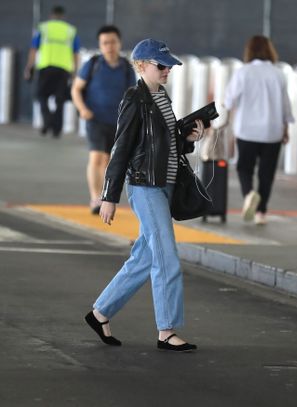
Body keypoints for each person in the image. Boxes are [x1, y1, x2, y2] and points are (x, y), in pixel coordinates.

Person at [84, 38, 204, 352]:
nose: (167, 71)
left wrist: (188, 137)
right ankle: (167, 331)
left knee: (145, 258)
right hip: (145, 187)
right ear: (141, 65)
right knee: (167, 258)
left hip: (164, 185)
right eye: (161, 66)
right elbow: (121, 147)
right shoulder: (134, 98)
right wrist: (108, 195)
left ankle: (100, 313)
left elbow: (164, 144)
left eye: (169, 66)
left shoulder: (161, 96)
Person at [222, 35, 294, 225]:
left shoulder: (243, 72)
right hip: (272, 131)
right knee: (266, 173)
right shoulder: (278, 73)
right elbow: (286, 105)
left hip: (247, 130)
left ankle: (248, 195)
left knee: (244, 168)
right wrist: (286, 128)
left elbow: (229, 101)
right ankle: (261, 213)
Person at [71, 25, 136, 215]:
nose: (109, 46)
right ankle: (95, 198)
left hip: (117, 122)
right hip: (95, 118)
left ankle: (105, 196)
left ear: (119, 43)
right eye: (105, 43)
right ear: (100, 45)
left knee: (108, 159)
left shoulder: (126, 67)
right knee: (96, 157)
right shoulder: (92, 64)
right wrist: (83, 109)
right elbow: (76, 89)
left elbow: (132, 94)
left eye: (113, 42)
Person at [24, 5, 80, 138]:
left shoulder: (43, 28)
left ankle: (47, 121)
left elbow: (33, 49)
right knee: (60, 99)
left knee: (41, 96)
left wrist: (29, 67)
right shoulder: (70, 31)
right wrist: (74, 72)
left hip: (46, 67)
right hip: (63, 69)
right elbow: (75, 53)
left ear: (52, 15)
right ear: (63, 16)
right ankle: (56, 130)